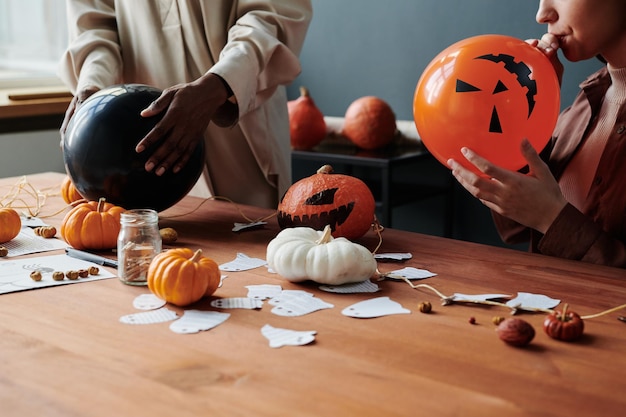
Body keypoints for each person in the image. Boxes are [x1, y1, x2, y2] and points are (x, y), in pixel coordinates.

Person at [58, 0, 312, 209]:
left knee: (250, 250)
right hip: (139, 150)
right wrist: (93, 87)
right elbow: (94, 28)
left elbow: (271, 16)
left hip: (240, 130)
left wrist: (220, 83)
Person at [447, 0, 626, 268]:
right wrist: (531, 107)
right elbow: (515, 230)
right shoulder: (586, 102)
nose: (542, 14)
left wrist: (552, 219)